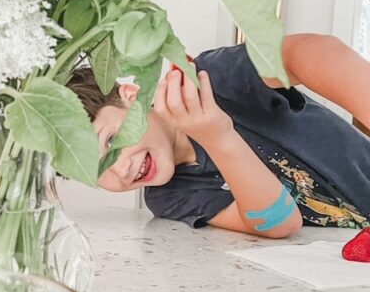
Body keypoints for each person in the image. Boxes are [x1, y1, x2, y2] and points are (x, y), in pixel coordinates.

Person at [70, 34, 370, 238]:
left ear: (131, 96)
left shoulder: (207, 79)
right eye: (98, 171)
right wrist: (218, 137)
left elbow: (310, 52)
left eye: (111, 141)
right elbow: (281, 224)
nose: (120, 169)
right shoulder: (168, 197)